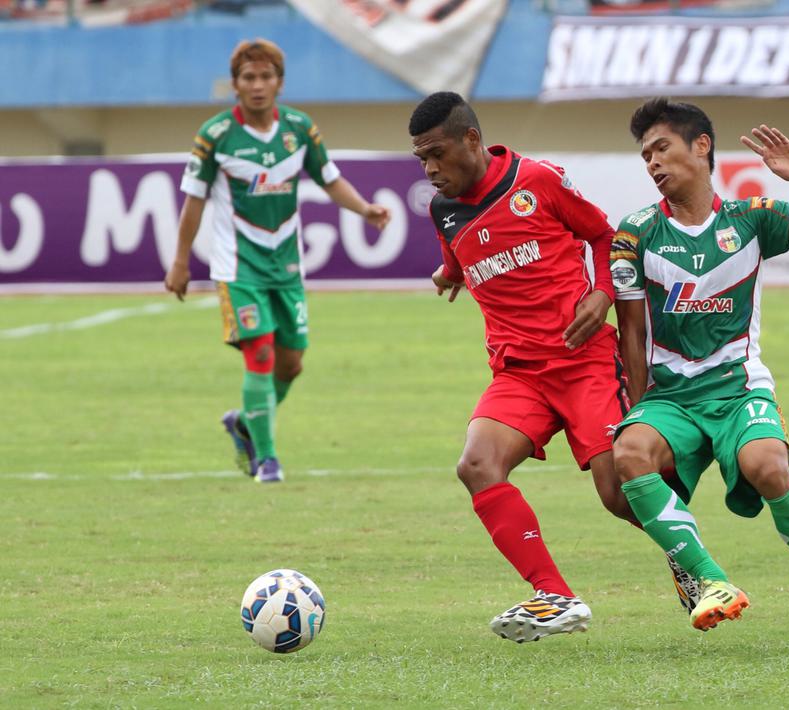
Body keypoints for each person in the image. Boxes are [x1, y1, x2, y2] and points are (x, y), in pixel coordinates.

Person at [610, 98, 789, 652]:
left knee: (768, 468)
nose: (652, 163)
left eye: (662, 148)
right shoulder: (635, 231)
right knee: (627, 454)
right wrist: (636, 411)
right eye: (645, 155)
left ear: (701, 146)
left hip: (738, 388)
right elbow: (630, 329)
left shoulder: (752, 219)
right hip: (671, 398)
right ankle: (710, 579)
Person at [409, 91, 640, 643]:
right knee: (477, 464)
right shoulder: (442, 209)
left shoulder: (537, 180)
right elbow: (459, 253)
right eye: (422, 159)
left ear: (472, 139)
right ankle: (555, 595)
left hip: (583, 360)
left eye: (437, 154)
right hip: (519, 375)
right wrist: (451, 276)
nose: (430, 170)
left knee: (618, 492)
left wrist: (602, 294)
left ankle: (695, 567)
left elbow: (604, 236)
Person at [165, 39, 389, 483]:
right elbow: (193, 202)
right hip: (238, 267)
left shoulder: (300, 128)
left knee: (292, 364)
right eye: (248, 77)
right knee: (261, 351)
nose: (258, 85)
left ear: (280, 82)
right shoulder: (215, 136)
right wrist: (180, 261)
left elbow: (330, 179)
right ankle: (267, 460)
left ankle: (246, 424)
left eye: (266, 76)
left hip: (287, 267)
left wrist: (364, 209)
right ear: (235, 85)